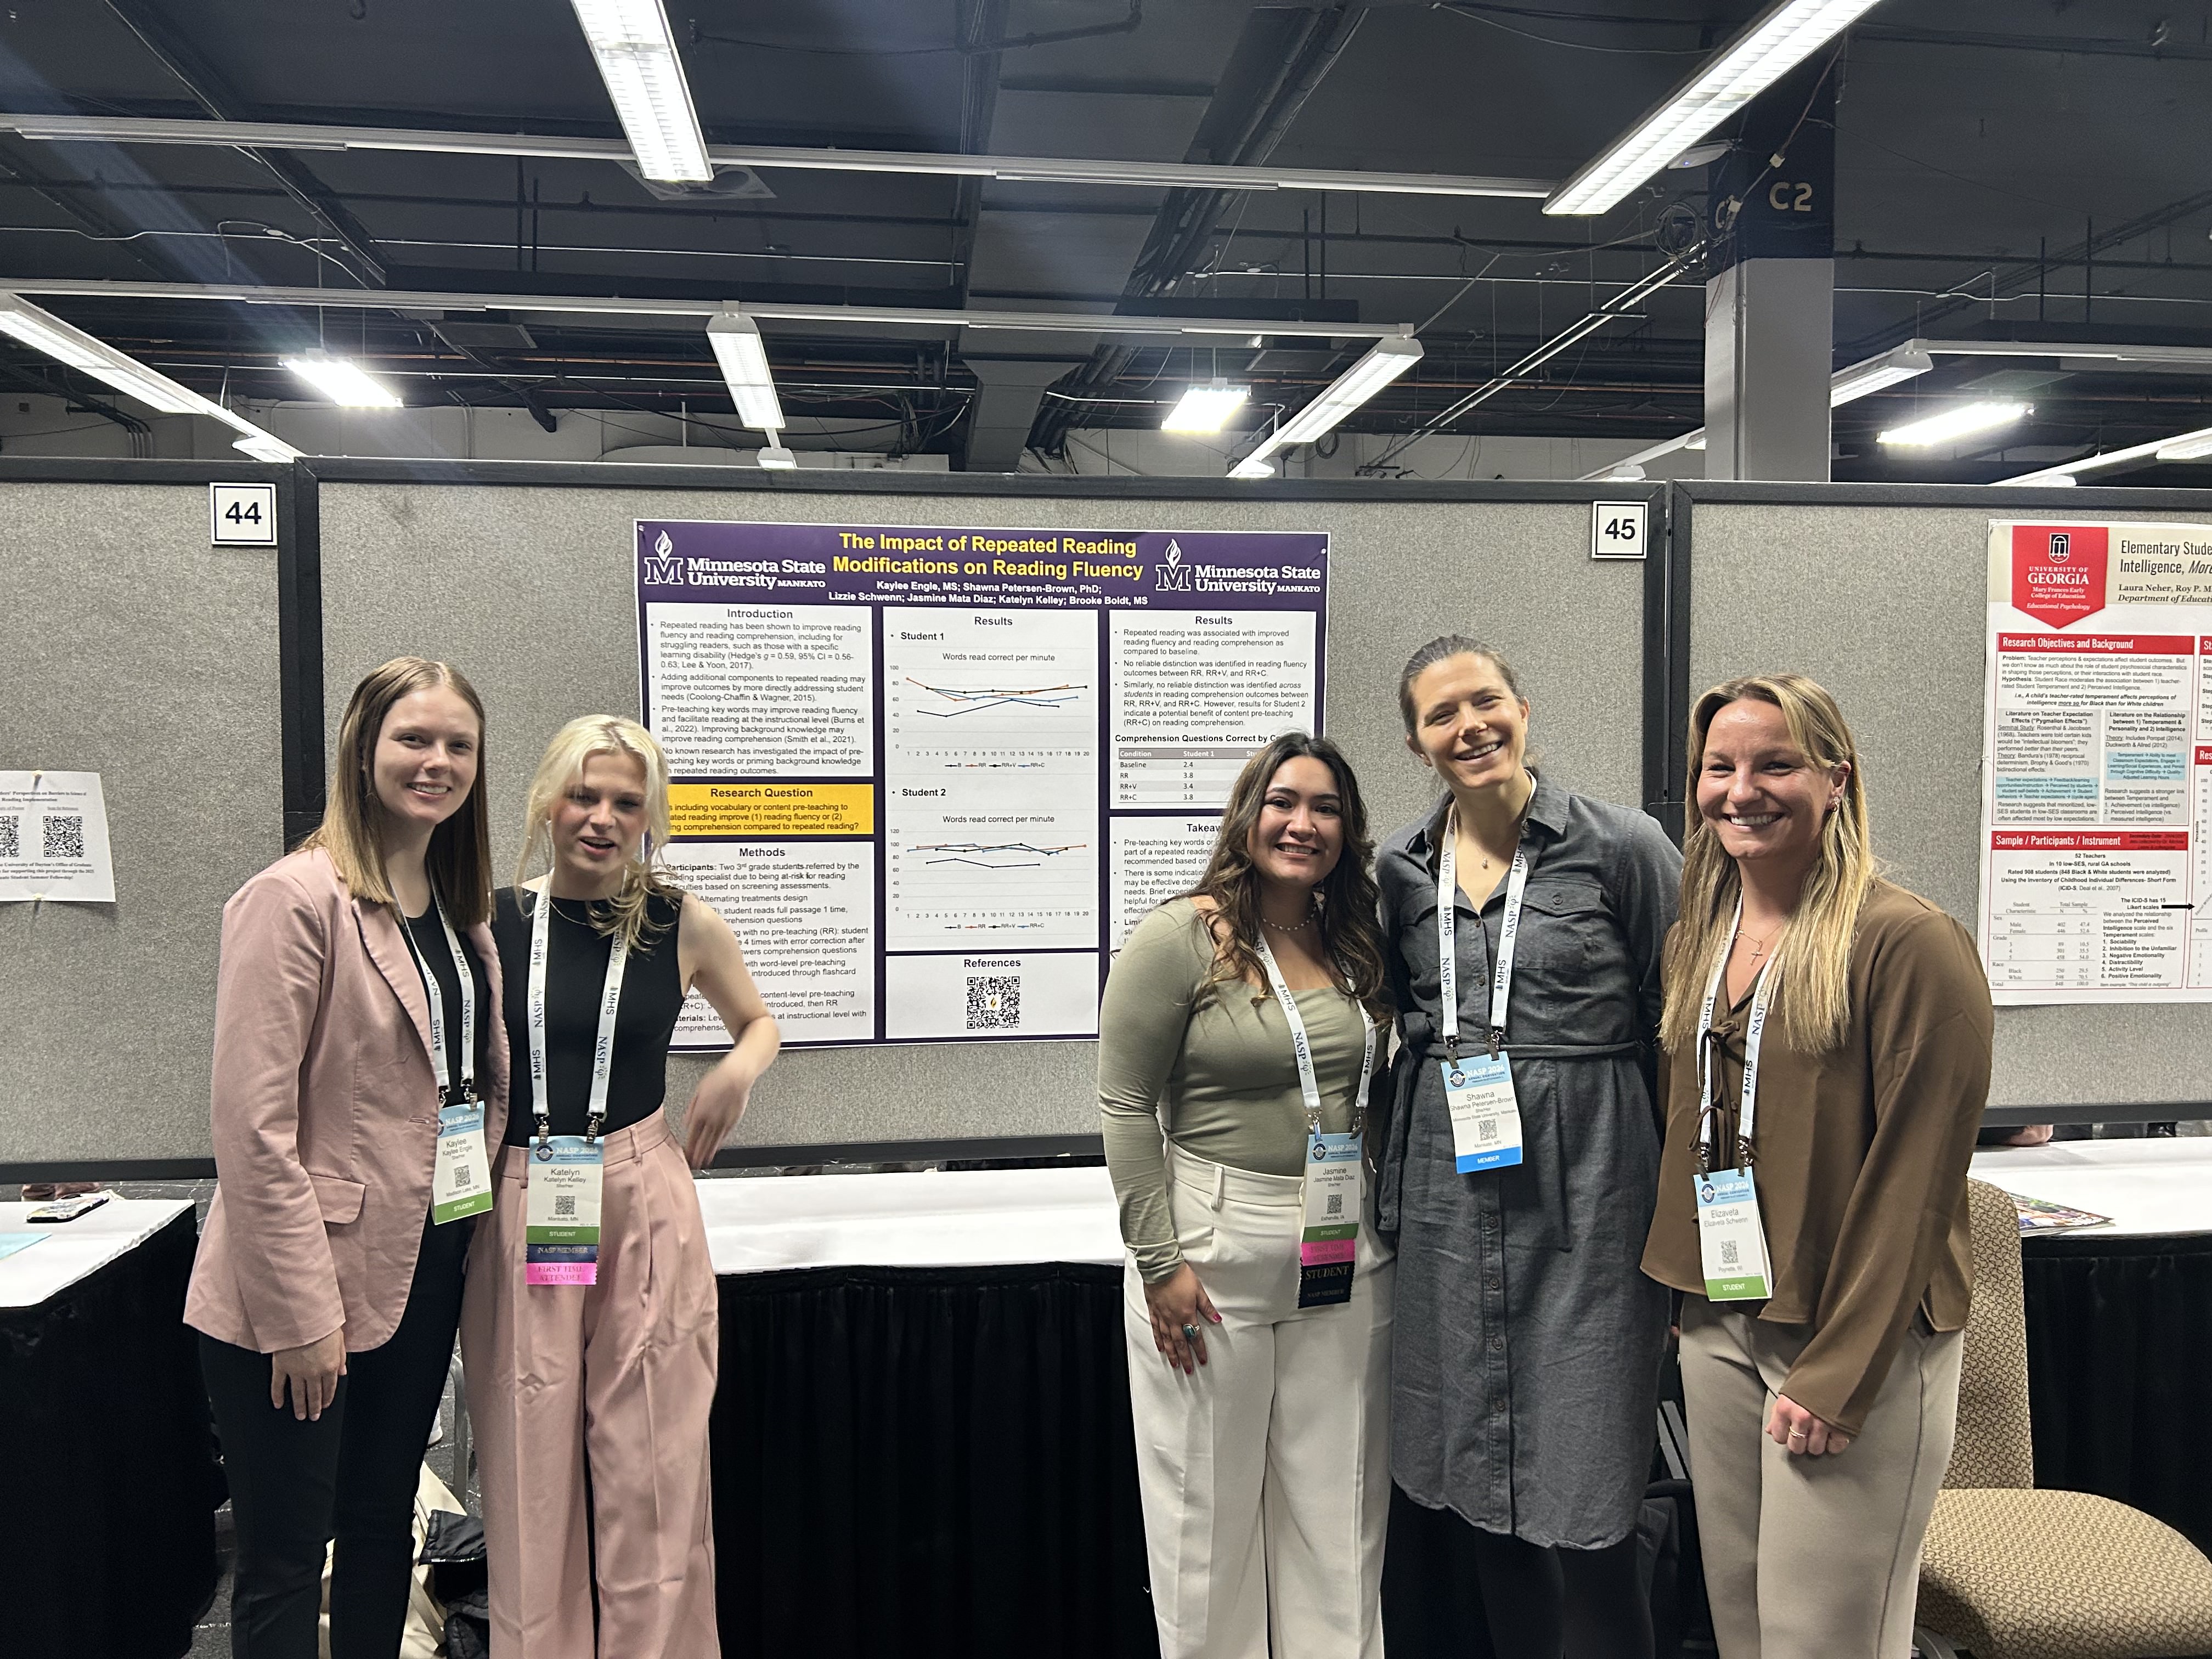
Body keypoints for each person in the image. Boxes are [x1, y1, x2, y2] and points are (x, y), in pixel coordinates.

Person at [1641, 673, 1993, 1659]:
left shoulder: (1909, 944)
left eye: (1776, 765)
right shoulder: (1699, 941)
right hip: (1723, 1323)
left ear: (1836, 780)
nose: (1741, 790)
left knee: (1825, 1642)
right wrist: (1687, 1295)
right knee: (1746, 1630)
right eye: (1721, 767)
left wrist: (1840, 1375)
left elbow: (1918, 1180)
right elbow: (1693, 1127)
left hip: (1850, 1342)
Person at [187, 657, 507, 1658]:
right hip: (300, 1287)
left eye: (458, 744)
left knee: (382, 1532)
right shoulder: (294, 899)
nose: (437, 761)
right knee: (287, 1557)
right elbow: (252, 1128)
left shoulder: (461, 910)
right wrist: (299, 1317)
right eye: (414, 739)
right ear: (363, 747)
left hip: (422, 1267)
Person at [1375, 635, 1681, 1659]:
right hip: (1449, 1194)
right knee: (1482, 1487)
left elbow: (1678, 1027)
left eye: (1486, 700)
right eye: (1441, 715)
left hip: (1594, 1187)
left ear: (1523, 706)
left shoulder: (1622, 845)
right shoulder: (1400, 873)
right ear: (1419, 745)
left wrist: (1687, 1219)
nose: (1470, 726)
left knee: (1592, 1489)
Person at [461, 714, 779, 1659]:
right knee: (529, 1471)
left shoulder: (682, 922)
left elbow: (758, 1021)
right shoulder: (489, 920)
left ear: (650, 817)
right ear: (547, 803)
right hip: (525, 1195)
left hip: (643, 1193)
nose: (601, 819)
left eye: (625, 803)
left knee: (655, 1463)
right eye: (584, 796)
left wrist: (734, 1070)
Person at [1098, 731, 1394, 1659]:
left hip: (1340, 1248)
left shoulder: (1352, 939)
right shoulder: (1180, 935)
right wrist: (1159, 1262)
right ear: (1248, 814)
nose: (1303, 825)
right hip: (1211, 1250)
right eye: (1284, 803)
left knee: (1338, 1516)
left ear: (1347, 831)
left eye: (1327, 809)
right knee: (1205, 1525)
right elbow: (1123, 1103)